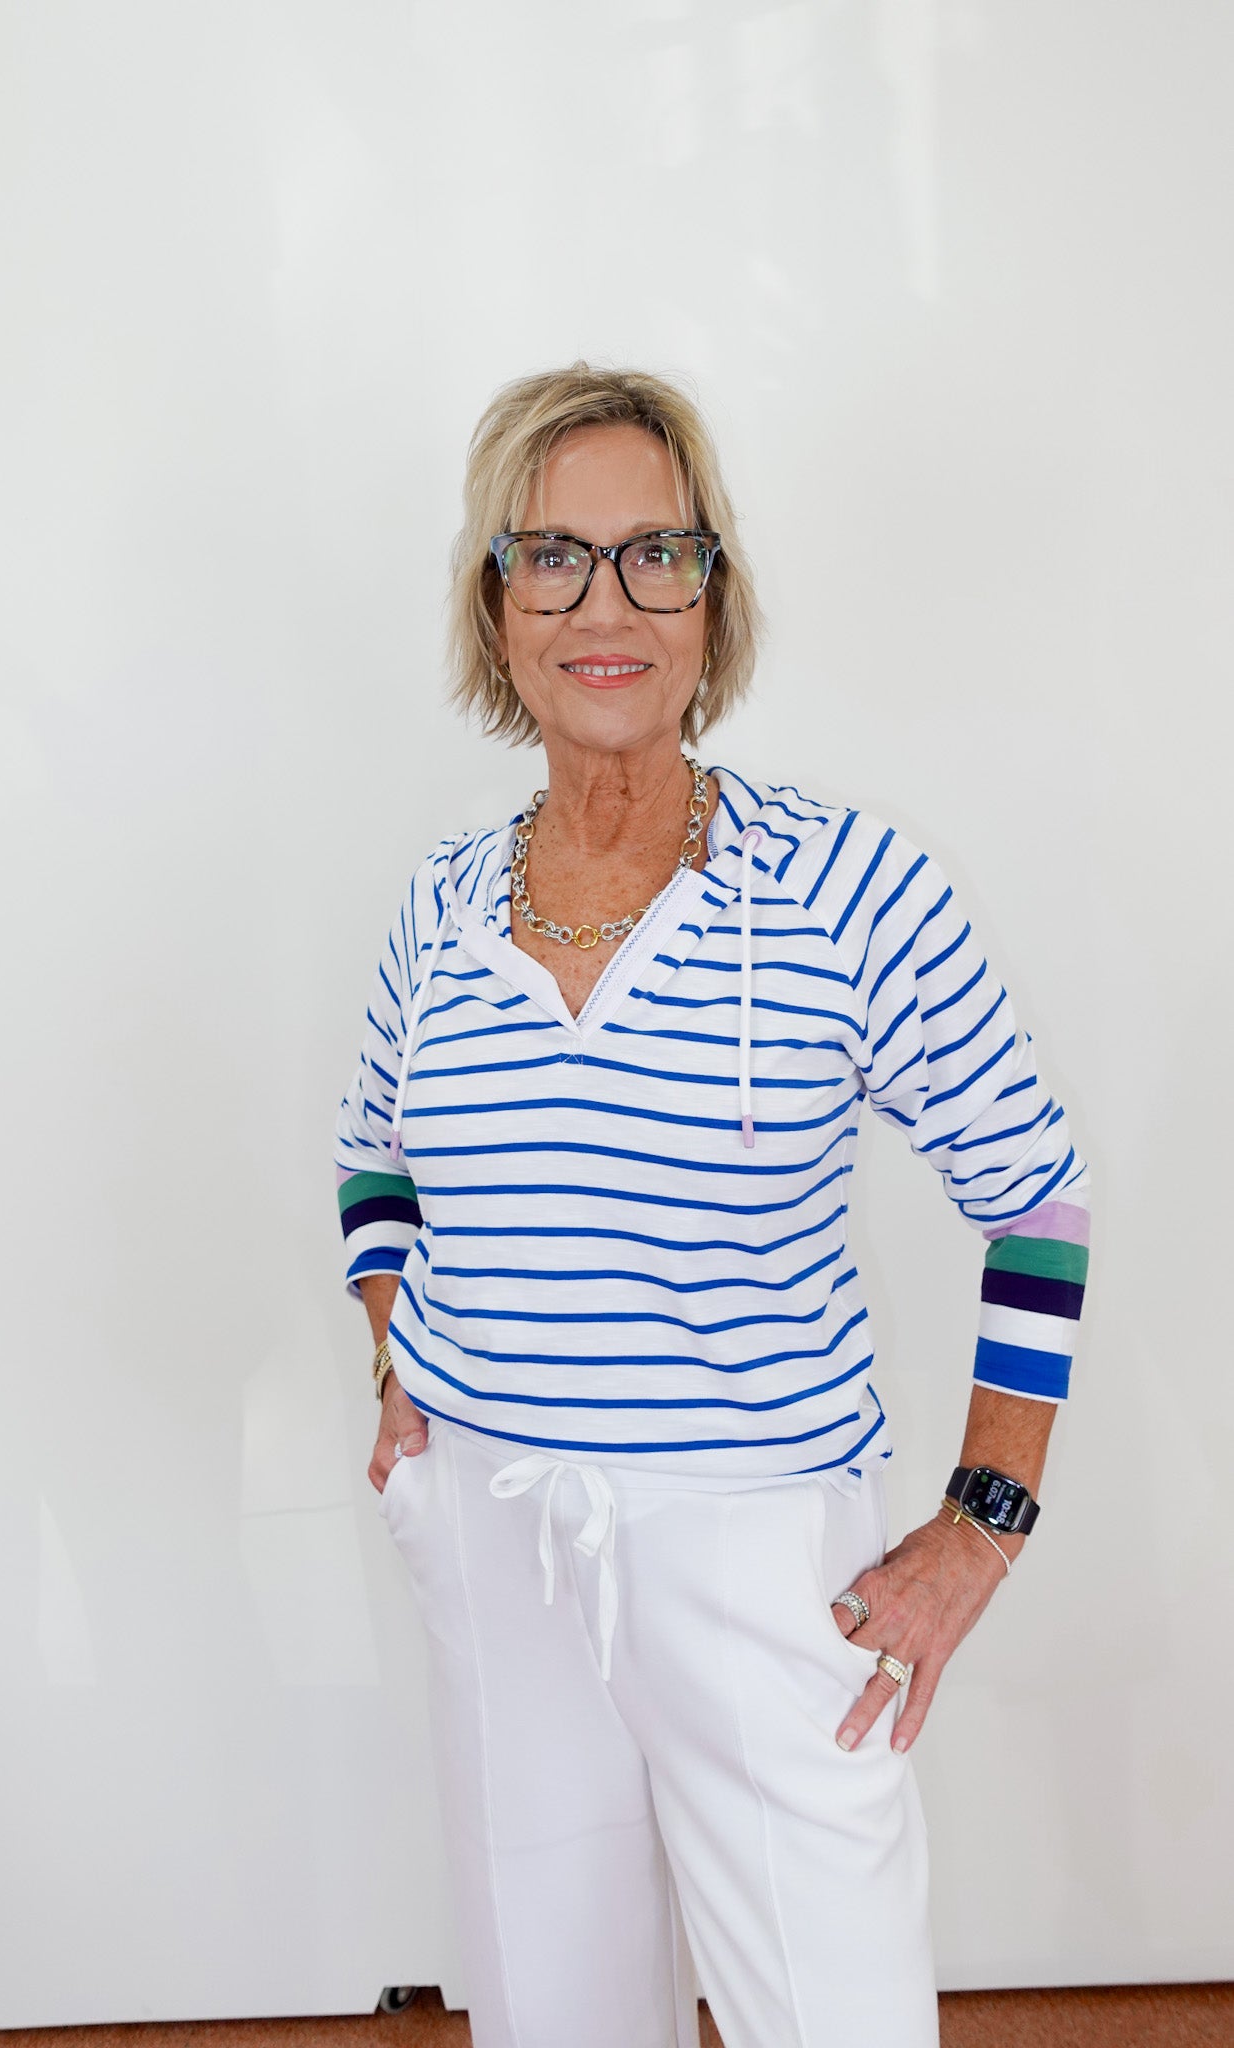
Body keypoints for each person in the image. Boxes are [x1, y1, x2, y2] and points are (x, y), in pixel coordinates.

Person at [335, 364, 1089, 2048]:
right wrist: (398, 1349)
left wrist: (981, 1523)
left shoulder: (853, 890)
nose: (606, 606)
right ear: (495, 600)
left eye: (655, 554)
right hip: (492, 1517)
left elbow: (1035, 1197)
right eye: (554, 558)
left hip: (757, 1541)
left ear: (711, 594)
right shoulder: (441, 903)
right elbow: (372, 1151)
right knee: (552, 2010)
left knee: (836, 2020)